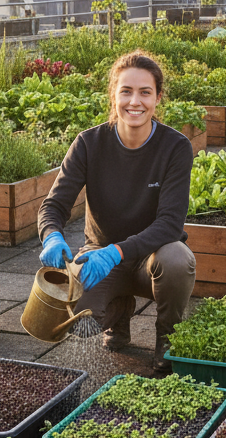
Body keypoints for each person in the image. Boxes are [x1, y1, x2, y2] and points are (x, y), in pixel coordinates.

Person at [37, 50, 196, 371]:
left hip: (152, 258)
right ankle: (119, 313)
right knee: (77, 319)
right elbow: (54, 205)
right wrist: (51, 235)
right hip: (100, 258)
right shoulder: (89, 144)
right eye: (126, 91)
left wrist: (117, 252)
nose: (135, 101)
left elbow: (169, 224)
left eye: (145, 92)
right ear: (113, 95)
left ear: (158, 98)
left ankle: (168, 337)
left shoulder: (175, 147)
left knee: (177, 259)